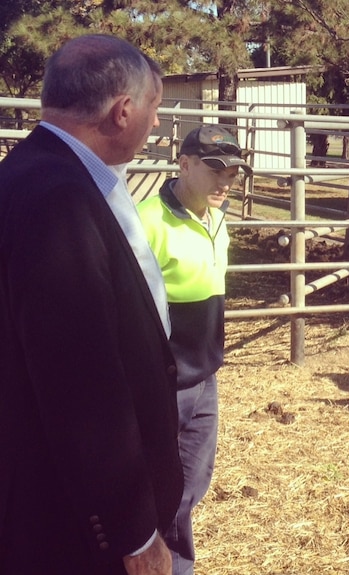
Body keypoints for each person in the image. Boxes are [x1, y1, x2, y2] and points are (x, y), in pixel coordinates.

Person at [0, 35, 183, 575]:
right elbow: (80, 381)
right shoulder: (59, 198)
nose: (155, 123)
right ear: (122, 111)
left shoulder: (33, 174)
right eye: (153, 108)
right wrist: (132, 531)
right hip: (72, 524)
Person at [137, 125, 251, 575]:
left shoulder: (217, 221)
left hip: (204, 375)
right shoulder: (144, 221)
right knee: (156, 483)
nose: (226, 181)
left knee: (191, 483)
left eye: (234, 171)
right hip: (161, 381)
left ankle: (175, 565)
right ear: (183, 164)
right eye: (215, 168)